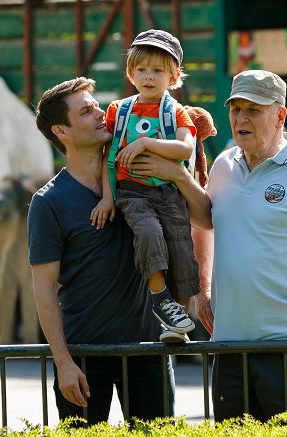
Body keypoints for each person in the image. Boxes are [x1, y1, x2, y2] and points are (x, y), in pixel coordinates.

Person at [130, 69, 287, 421]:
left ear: (279, 115)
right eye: (236, 109)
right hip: (228, 345)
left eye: (253, 109)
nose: (241, 118)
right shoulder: (223, 163)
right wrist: (202, 290)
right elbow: (207, 221)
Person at [29, 77, 174, 425]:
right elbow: (44, 288)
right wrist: (63, 362)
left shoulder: (139, 177)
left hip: (148, 350)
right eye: (86, 111)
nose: (100, 114)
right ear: (61, 131)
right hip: (84, 357)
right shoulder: (48, 202)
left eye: (96, 106)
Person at [90, 29, 198, 342]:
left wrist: (145, 143)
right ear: (131, 73)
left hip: (168, 194)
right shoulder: (119, 111)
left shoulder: (175, 112)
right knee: (149, 234)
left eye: (158, 71)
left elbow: (185, 149)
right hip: (132, 193)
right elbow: (107, 158)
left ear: (174, 76)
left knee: (181, 252)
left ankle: (176, 324)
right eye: (141, 69)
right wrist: (109, 198)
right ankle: (160, 297)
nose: (148, 77)